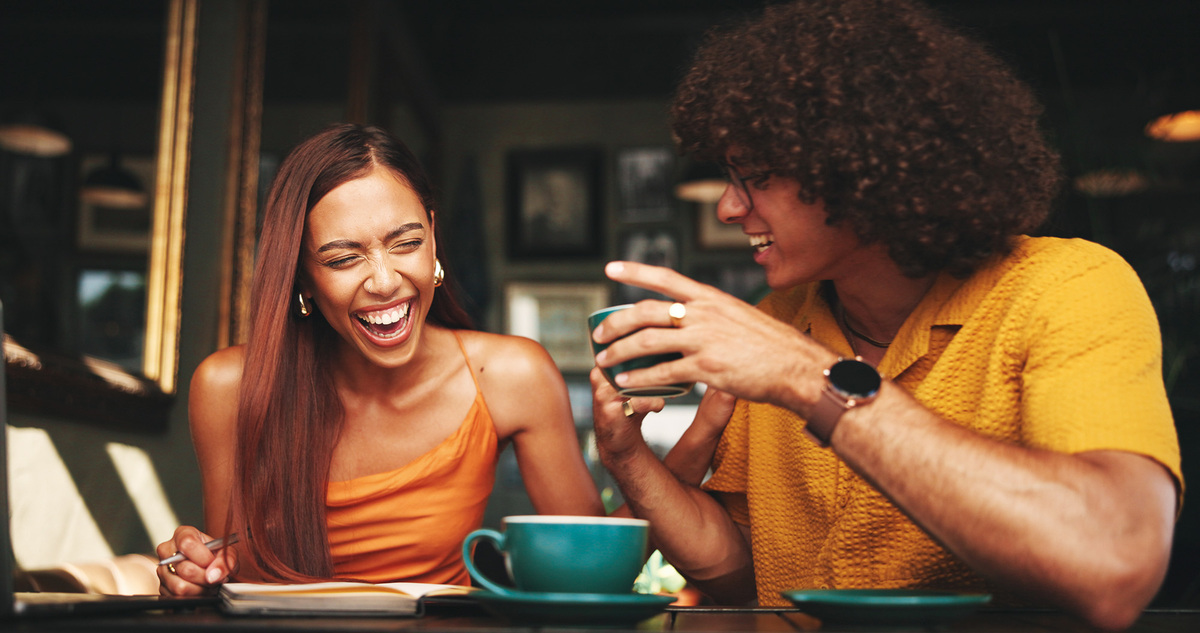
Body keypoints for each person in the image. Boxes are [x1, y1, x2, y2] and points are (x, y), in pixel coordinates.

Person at [588, 0, 1182, 629]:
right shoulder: (781, 320)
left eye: (756, 175)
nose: (729, 209)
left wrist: (808, 378)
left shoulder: (1066, 288)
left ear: (862, 170)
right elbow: (751, 574)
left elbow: (1116, 563)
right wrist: (631, 463)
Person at [158, 123, 603, 595]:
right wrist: (196, 572)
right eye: (343, 258)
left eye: (406, 243)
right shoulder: (228, 387)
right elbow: (234, 578)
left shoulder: (511, 376)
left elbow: (591, 569)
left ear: (433, 236)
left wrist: (659, 449)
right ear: (301, 277)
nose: (385, 281)